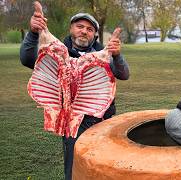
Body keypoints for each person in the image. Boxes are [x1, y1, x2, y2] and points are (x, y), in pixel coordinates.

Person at [20, 11, 129, 180]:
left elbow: (123, 74)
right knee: (75, 167)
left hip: (103, 119)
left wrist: (117, 55)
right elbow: (27, 58)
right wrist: (34, 33)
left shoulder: (104, 54)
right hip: (73, 124)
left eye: (90, 29)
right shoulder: (55, 50)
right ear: (71, 28)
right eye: (80, 26)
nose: (84, 31)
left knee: (103, 165)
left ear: (94, 35)